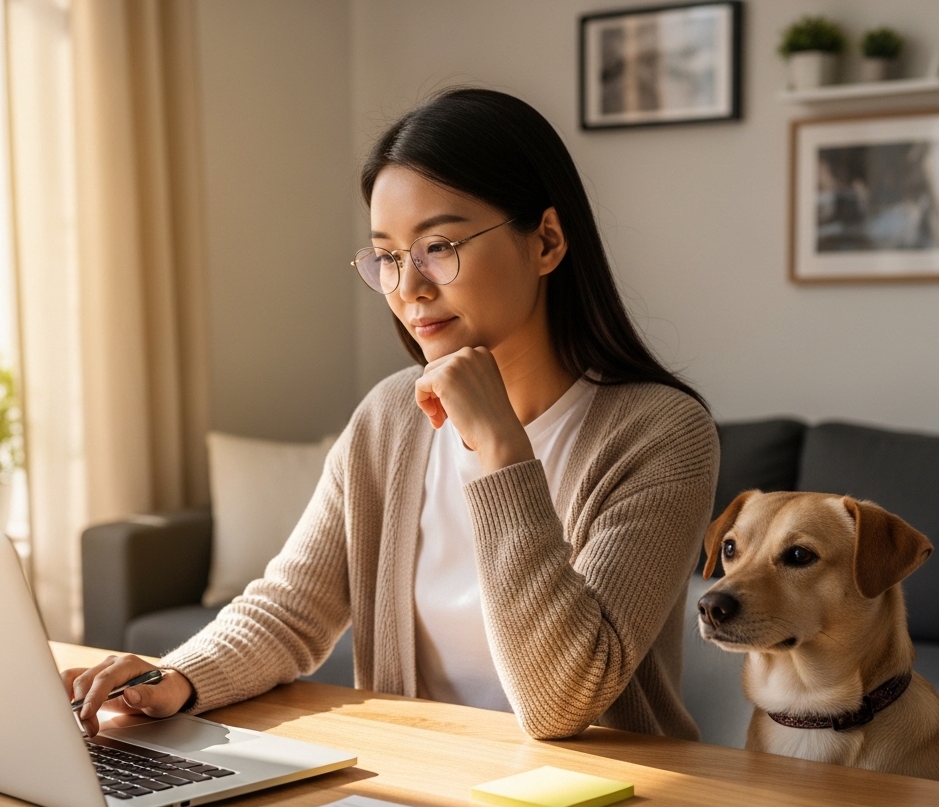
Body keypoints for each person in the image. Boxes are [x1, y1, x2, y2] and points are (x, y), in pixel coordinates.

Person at [67, 88, 719, 742]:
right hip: (417, 785)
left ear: (545, 241)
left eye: (438, 245)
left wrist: (500, 448)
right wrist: (175, 677)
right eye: (388, 256)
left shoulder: (663, 435)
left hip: (609, 805)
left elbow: (562, 701)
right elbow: (291, 609)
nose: (409, 289)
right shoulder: (389, 418)